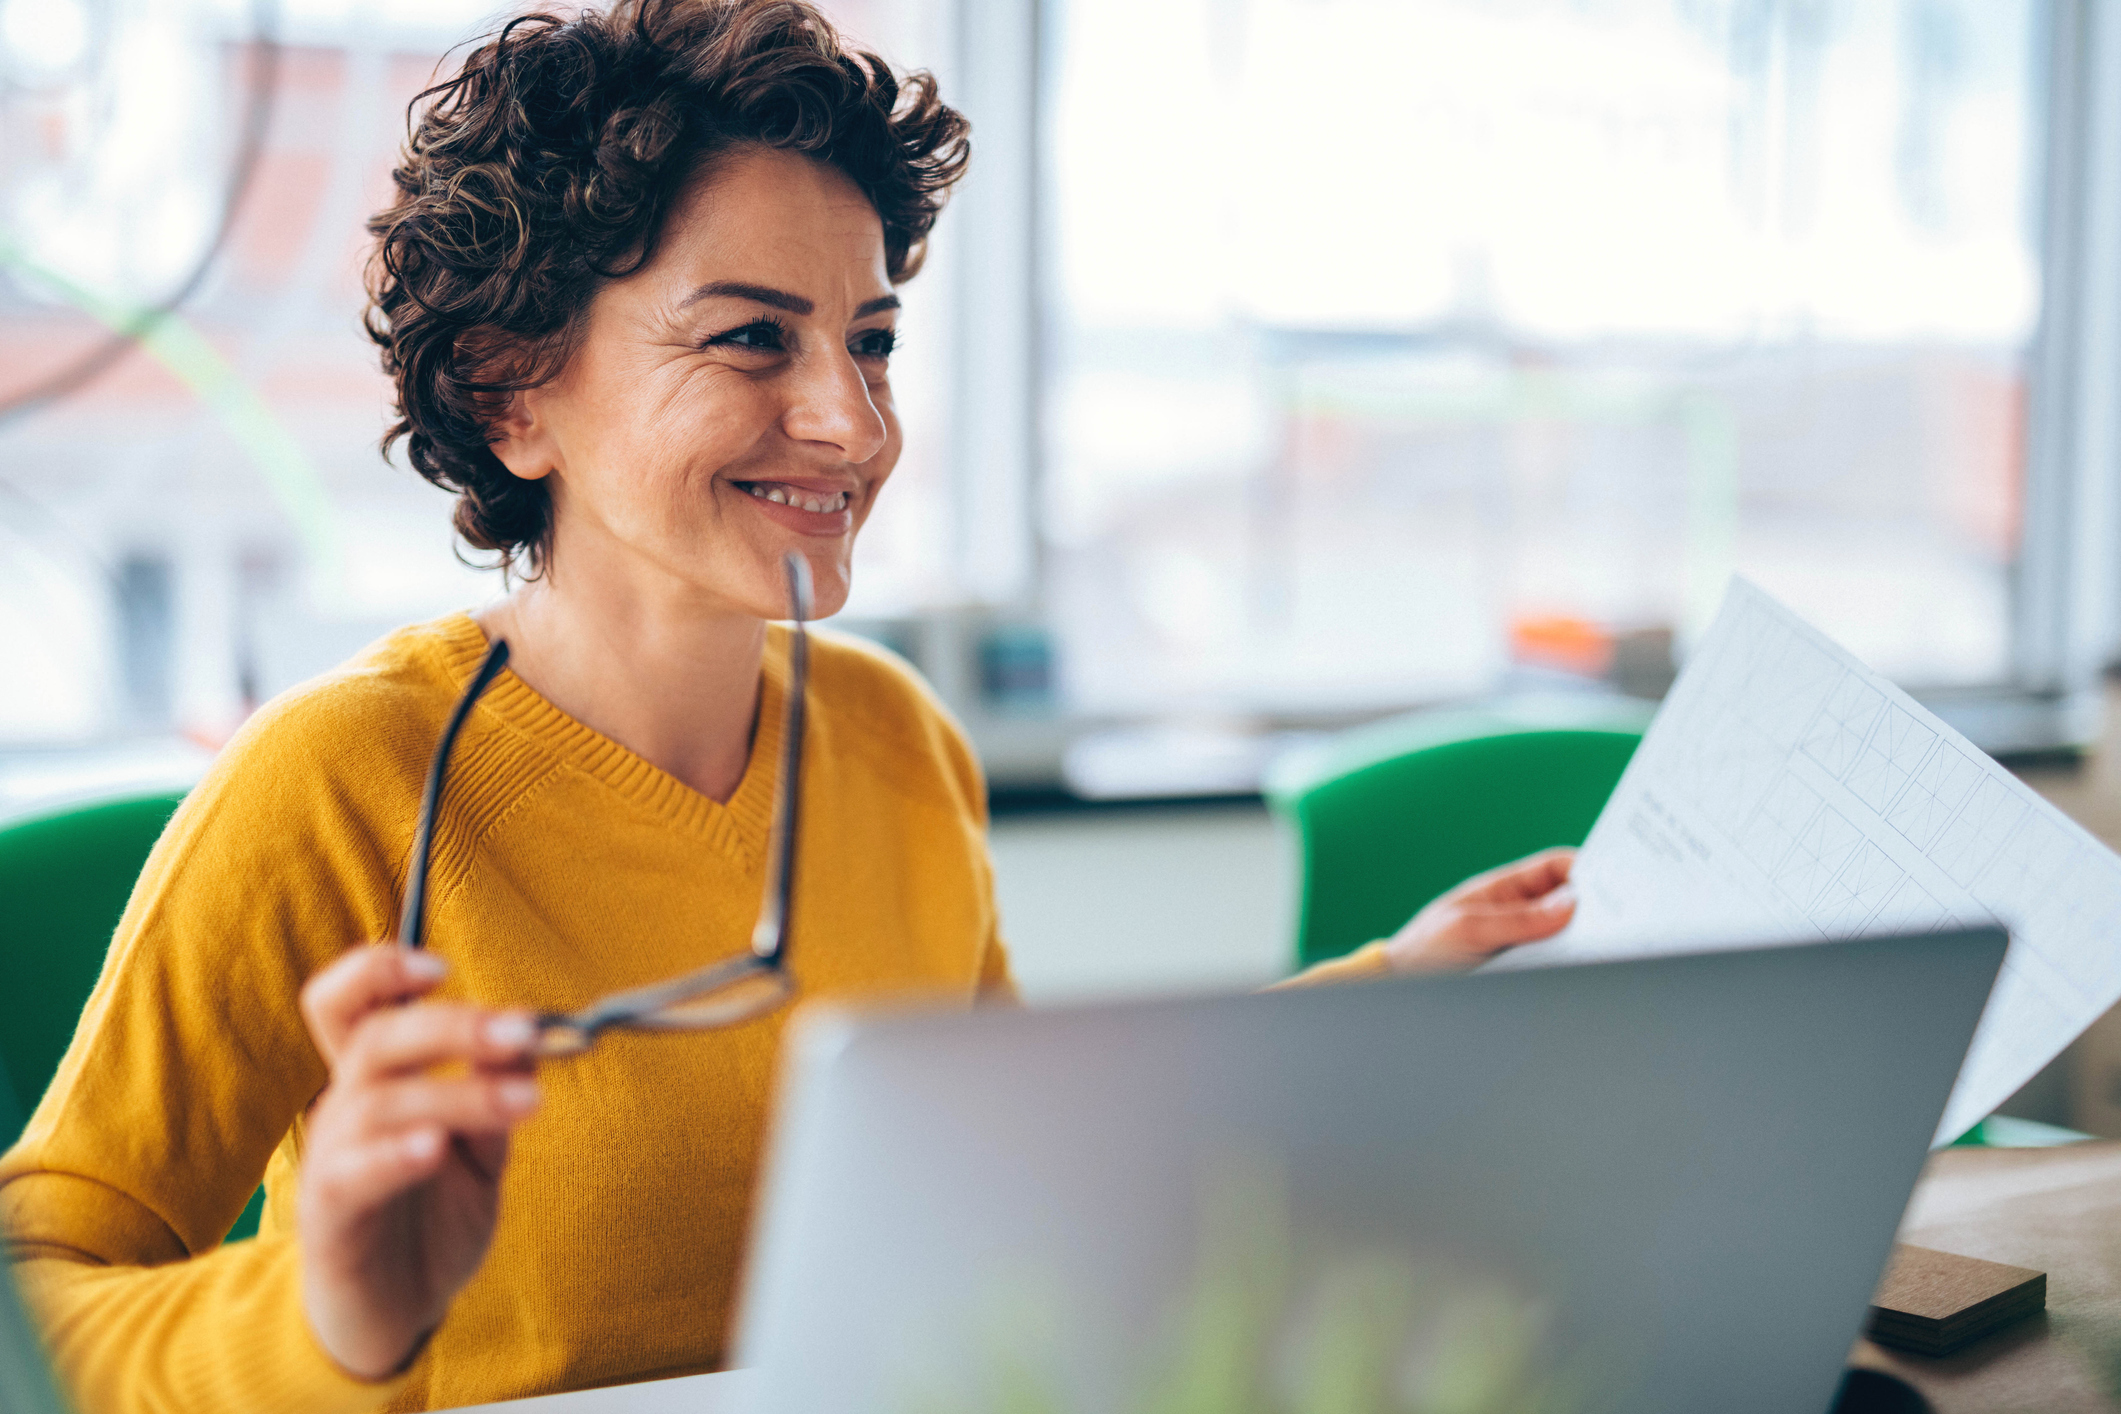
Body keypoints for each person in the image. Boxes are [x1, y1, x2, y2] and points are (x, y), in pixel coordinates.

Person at [0, 2, 1579, 1409]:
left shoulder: (893, 736)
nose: (851, 422)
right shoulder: (339, 775)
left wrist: (1392, 991)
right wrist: (326, 1310)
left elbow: (1022, 1160)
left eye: (870, 342)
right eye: (752, 337)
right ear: (510, 388)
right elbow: (35, 1300)